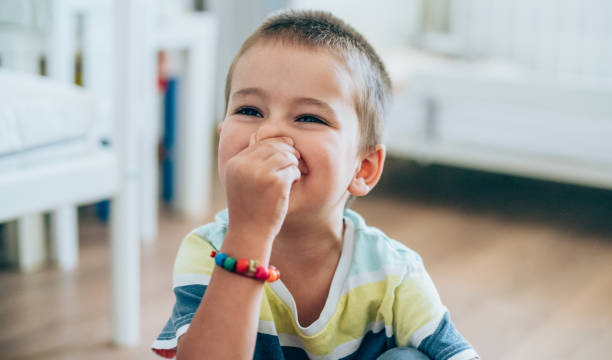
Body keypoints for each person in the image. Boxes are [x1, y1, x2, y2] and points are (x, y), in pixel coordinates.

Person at [152, 9, 478, 360]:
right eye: (249, 110)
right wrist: (249, 233)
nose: (269, 132)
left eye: (309, 117)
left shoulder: (393, 272)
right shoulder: (208, 251)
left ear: (363, 169)